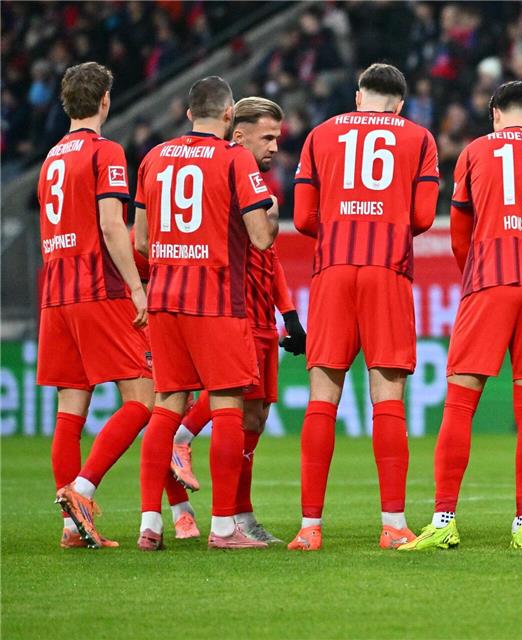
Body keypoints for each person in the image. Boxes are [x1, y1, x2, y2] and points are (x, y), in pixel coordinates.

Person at [399, 81, 522, 551]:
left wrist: (476, 275)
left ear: (496, 111)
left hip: (489, 283)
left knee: (460, 404)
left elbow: (459, 233)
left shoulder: (476, 151)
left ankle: (443, 520)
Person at [290, 63, 439, 551]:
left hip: (332, 270)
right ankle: (393, 524)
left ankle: (310, 528)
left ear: (359, 97)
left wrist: (340, 224)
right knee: (387, 399)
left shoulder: (320, 134)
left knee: (322, 398)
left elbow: (301, 217)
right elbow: (422, 216)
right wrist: (387, 224)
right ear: (399, 103)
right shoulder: (419, 138)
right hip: (387, 271)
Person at [134, 75, 278, 550]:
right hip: (215, 300)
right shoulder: (234, 158)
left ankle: (150, 525)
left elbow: (140, 240)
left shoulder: (154, 157)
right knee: (228, 406)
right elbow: (260, 237)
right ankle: (222, 528)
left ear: (187, 112)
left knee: (166, 409)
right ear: (229, 114)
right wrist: (266, 211)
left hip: (163, 299)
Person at [163, 97, 307, 542]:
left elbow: (271, 257)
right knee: (230, 398)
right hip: (230, 310)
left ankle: (240, 516)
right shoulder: (224, 175)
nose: (275, 148)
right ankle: (183, 441)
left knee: (255, 417)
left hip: (263, 315)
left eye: (277, 139)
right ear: (237, 134)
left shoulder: (259, 182)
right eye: (267, 138)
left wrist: (289, 315)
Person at [40, 62, 154, 549]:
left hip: (55, 294)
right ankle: (81, 491)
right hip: (96, 289)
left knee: (71, 410)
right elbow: (111, 225)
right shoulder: (105, 151)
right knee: (144, 399)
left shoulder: (50, 159)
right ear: (105, 100)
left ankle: (72, 528)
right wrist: (135, 285)